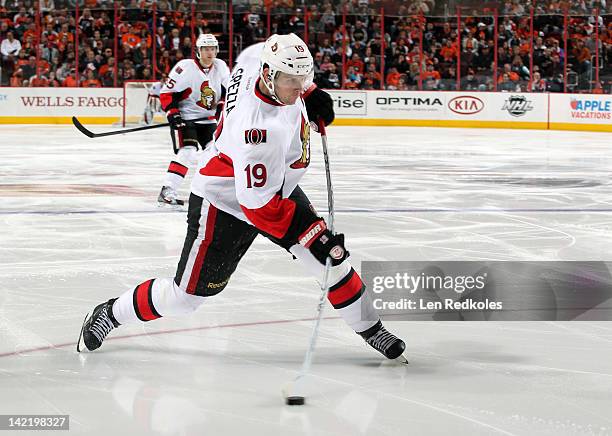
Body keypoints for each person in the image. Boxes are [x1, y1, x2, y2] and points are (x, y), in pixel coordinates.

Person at [77, 33, 405, 362]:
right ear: (268, 75)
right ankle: (111, 312)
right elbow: (258, 207)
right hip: (226, 201)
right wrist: (312, 235)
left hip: (273, 187)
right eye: (292, 81)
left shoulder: (255, 63)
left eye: (302, 78)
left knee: (331, 260)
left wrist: (311, 90)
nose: (297, 86)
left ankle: (372, 329)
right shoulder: (260, 132)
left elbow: (254, 52)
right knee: (185, 299)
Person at [157, 34, 230, 206]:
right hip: (186, 118)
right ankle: (167, 190)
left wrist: (221, 107)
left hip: (208, 120)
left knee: (215, 152)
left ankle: (212, 193)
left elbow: (229, 91)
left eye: (212, 49)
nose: (209, 53)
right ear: (198, 51)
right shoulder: (185, 67)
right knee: (188, 151)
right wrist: (173, 113)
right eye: (206, 49)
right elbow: (166, 93)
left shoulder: (221, 66)